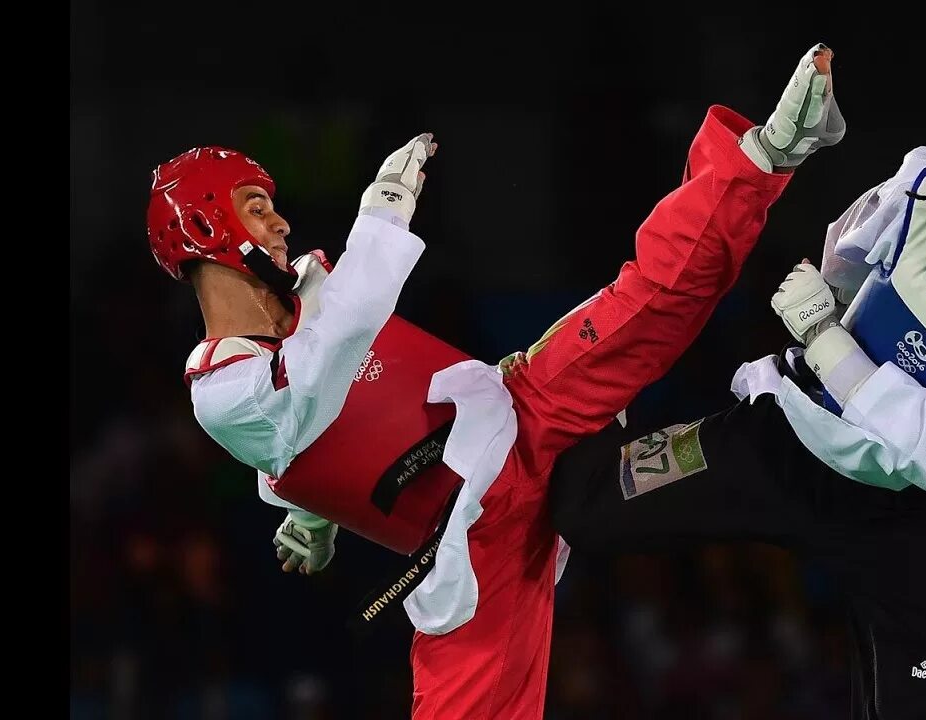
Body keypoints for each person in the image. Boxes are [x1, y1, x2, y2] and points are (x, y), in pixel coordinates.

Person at [147, 44, 846, 719]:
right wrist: (383, 209)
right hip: (474, 550)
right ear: (207, 225)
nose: (281, 220)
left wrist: (308, 516)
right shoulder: (222, 389)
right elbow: (317, 377)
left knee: (653, 296)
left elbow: (313, 407)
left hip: (519, 409)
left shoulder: (312, 291)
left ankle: (766, 153)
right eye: (255, 205)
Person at [549, 85, 926, 719]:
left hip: (903, 522)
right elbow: (842, 261)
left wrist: (825, 340)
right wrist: (825, 328)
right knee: (582, 506)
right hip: (787, 436)